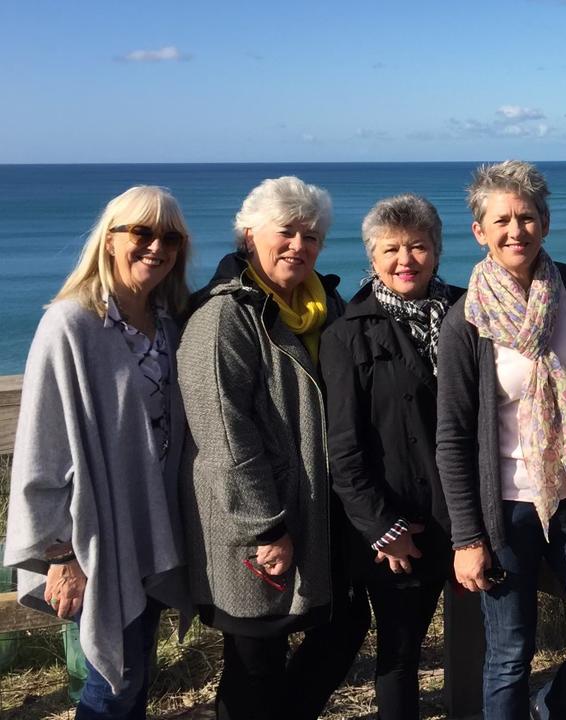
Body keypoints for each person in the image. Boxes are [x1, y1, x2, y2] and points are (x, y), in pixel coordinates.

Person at [177, 176, 369, 720]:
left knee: (344, 626)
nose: (299, 246)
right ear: (248, 236)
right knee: (254, 660)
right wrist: (263, 526)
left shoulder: (325, 304)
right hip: (257, 523)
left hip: (319, 515)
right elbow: (222, 435)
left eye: (311, 236)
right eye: (285, 232)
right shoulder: (224, 316)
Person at [4, 186, 192, 719]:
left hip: (154, 531)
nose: (156, 247)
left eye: (170, 237)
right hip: (96, 538)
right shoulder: (71, 325)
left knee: (134, 678)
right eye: (141, 232)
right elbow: (40, 449)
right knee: (114, 683)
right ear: (109, 240)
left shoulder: (170, 325)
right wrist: (60, 557)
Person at [436, 160, 566, 719]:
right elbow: (453, 437)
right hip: (506, 509)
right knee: (510, 654)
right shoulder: (466, 320)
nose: (517, 230)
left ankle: (550, 710)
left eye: (528, 216)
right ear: (480, 232)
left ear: (546, 222)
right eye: (503, 220)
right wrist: (468, 538)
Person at [320, 194, 463, 720]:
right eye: (391, 249)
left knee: (489, 640)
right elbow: (345, 448)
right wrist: (383, 527)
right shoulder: (348, 333)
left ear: (438, 250)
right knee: (401, 653)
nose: (406, 260)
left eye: (418, 246)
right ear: (372, 258)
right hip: (403, 525)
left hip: (469, 514)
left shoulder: (468, 311)